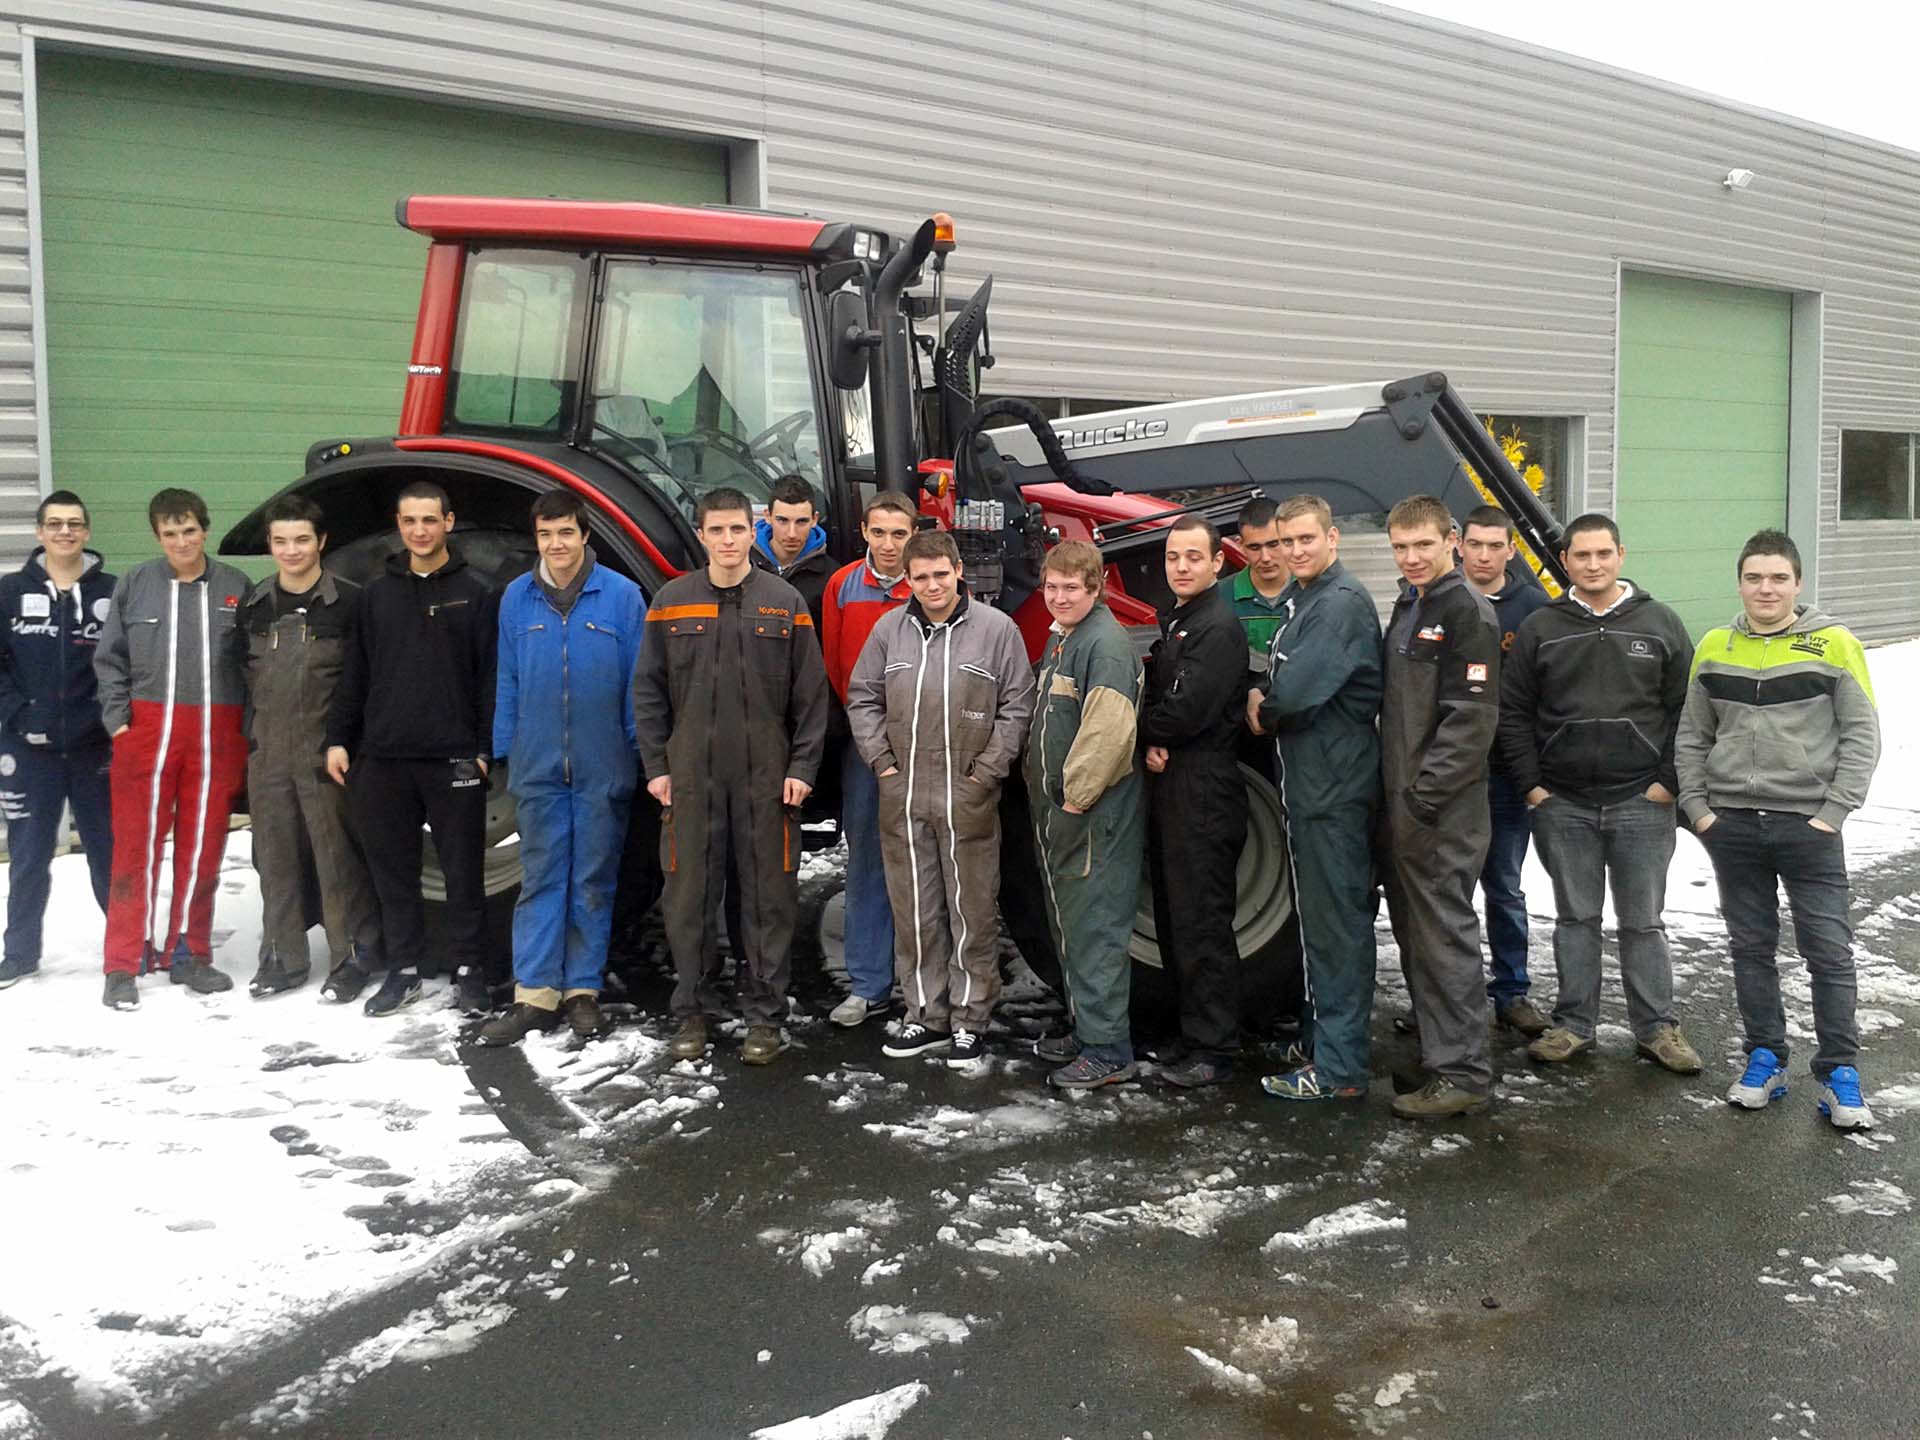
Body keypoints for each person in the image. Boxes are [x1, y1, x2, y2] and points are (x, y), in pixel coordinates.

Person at [1676, 530, 1882, 1130]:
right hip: (1732, 826)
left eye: (1778, 578)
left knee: (1828, 952)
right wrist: (1699, 808)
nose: (1765, 589)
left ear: (1798, 583)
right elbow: (1692, 735)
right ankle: (1765, 1057)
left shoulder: (1835, 644)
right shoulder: (1715, 646)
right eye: (1754, 578)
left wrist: (1833, 812)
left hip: (1808, 827)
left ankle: (1840, 1074)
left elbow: (1862, 735)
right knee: (1750, 948)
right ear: (1740, 583)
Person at [634, 486, 829, 1066]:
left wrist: (802, 768)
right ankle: (693, 1010)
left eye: (737, 529)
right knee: (688, 897)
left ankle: (764, 1016)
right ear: (701, 535)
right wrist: (657, 767)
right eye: (716, 530)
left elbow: (811, 696)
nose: (727, 540)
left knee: (769, 899)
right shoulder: (671, 602)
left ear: (753, 531)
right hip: (691, 776)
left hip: (766, 777)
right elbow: (647, 692)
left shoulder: (784, 601)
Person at [1499, 513, 1700, 1075]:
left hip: (1642, 800)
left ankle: (1657, 1029)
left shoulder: (1660, 622)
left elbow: (1689, 710)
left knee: (1643, 922)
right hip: (1563, 802)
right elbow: (1513, 711)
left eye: (1603, 554)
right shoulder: (1542, 627)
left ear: (1620, 555)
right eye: (1581, 556)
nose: (1593, 565)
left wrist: (1669, 781)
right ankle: (1573, 1026)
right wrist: (1532, 786)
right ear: (1565, 561)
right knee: (1575, 919)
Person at [847, 530, 1033, 1067]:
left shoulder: (996, 630)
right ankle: (925, 1014)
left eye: (940, 575)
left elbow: (1017, 706)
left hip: (966, 795)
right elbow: (862, 698)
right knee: (915, 909)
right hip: (903, 796)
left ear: (958, 572)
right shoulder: (889, 631)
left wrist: (986, 773)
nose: (931, 586)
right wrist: (883, 764)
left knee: (970, 910)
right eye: (921, 577)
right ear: (907, 580)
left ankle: (971, 1019)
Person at [325, 481, 498, 1019]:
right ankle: (404, 971)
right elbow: (356, 673)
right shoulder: (377, 595)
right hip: (385, 759)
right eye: (409, 521)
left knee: (463, 872)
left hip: (454, 758)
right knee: (394, 874)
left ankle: (470, 971)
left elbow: (491, 678)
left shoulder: (477, 592)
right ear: (399, 527)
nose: (419, 531)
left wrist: (484, 748)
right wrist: (338, 738)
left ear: (449, 522)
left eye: (429, 520)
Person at [481, 492, 647, 1046]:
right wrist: (505, 747)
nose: (556, 544)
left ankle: (582, 990)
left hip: (604, 761)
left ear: (585, 535)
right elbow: (508, 676)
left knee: (592, 879)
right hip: (538, 761)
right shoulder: (517, 597)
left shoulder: (622, 597)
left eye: (566, 533)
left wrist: (638, 750)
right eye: (546, 534)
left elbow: (639, 682)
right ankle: (535, 994)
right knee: (541, 876)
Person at [1245, 496, 1383, 1103]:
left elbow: (1292, 695)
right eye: (1285, 541)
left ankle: (1340, 1068)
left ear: (1332, 538)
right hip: (1313, 786)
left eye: (1305, 539)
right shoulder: (1307, 599)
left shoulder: (1339, 605)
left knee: (1337, 927)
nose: (1294, 551)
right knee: (1317, 924)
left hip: (1334, 791)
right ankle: (1318, 1040)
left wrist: (1263, 705)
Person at [95, 488, 251, 1009]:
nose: (181, 542)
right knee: (134, 847)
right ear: (157, 536)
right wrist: (119, 721)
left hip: (216, 733)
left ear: (205, 529)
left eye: (189, 531)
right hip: (147, 732)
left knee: (203, 847)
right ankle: (124, 961)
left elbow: (252, 665)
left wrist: (246, 728)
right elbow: (110, 659)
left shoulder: (235, 587)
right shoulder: (135, 584)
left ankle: (188, 951)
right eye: (170, 533)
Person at [1376, 495, 1502, 1119]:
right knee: (1418, 937)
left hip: (1440, 811)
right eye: (1401, 547)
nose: (1412, 557)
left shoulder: (1465, 611)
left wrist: (1424, 797)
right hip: (1407, 805)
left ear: (1451, 540)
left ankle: (1463, 1074)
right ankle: (1438, 1052)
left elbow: (1470, 720)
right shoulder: (1411, 604)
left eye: (1423, 544)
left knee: (1444, 938)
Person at [237, 494, 383, 1001]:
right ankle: (282, 957)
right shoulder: (254, 606)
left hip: (327, 752)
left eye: (301, 539)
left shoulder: (350, 603)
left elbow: (364, 681)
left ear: (321, 541)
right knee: (274, 858)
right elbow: (241, 676)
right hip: (267, 752)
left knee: (337, 857)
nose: (291, 550)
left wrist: (350, 743)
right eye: (281, 541)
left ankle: (353, 956)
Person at [1024, 540, 1146, 1089]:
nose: (1059, 597)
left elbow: (1107, 732)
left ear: (1096, 588)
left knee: (1096, 926)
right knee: (1072, 924)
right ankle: (1087, 1028)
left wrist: (1074, 801)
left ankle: (1108, 1051)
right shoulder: (1065, 637)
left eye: (1071, 587)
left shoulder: (1105, 645)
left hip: (1089, 817)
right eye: (1052, 587)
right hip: (1063, 815)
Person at [1140, 518, 1250, 1088]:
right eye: (1172, 557)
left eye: (1192, 557)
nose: (1180, 567)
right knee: (1176, 918)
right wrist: (1156, 735)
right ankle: (1192, 1034)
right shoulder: (1183, 620)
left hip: (1204, 788)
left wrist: (1144, 730)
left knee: (1203, 921)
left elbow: (1183, 712)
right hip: (1177, 782)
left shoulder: (1217, 628)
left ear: (1217, 563)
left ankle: (1214, 1048)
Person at [0, 491, 115, 989]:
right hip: (28, 751)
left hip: (96, 749)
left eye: (73, 523)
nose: (64, 531)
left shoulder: (113, 591)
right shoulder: (8, 592)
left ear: (87, 531)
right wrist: (19, 715)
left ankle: (126, 949)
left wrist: (108, 719)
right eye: (54, 523)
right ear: (39, 532)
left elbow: (129, 665)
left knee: (109, 854)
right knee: (28, 857)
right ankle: (19, 954)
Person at [819, 493, 916, 1027]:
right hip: (866, 746)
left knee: (927, 861)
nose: (888, 544)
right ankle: (868, 984)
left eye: (898, 534)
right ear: (863, 532)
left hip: (924, 744)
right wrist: (870, 733)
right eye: (879, 533)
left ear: (913, 534)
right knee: (866, 861)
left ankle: (925, 986)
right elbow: (837, 667)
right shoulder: (841, 586)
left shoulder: (928, 584)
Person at [1459, 504, 1550, 1036]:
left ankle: (1512, 991)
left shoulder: (1533, 610)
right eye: (1475, 544)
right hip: (1450, 774)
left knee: (1505, 888)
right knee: (1449, 893)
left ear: (1511, 551)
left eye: (1495, 546)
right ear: (1459, 546)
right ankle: (1449, 997)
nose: (1484, 555)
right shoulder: (1436, 599)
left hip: (1506, 775)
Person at [751, 474, 835, 628]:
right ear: (767, 516)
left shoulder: (832, 578)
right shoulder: (742, 564)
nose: (792, 533)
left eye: (801, 521)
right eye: (782, 520)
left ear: (814, 519)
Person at [1231, 496, 1292, 658]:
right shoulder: (1221, 598)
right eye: (1254, 547)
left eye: (1273, 544)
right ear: (1240, 545)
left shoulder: (1313, 593)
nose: (1265, 557)